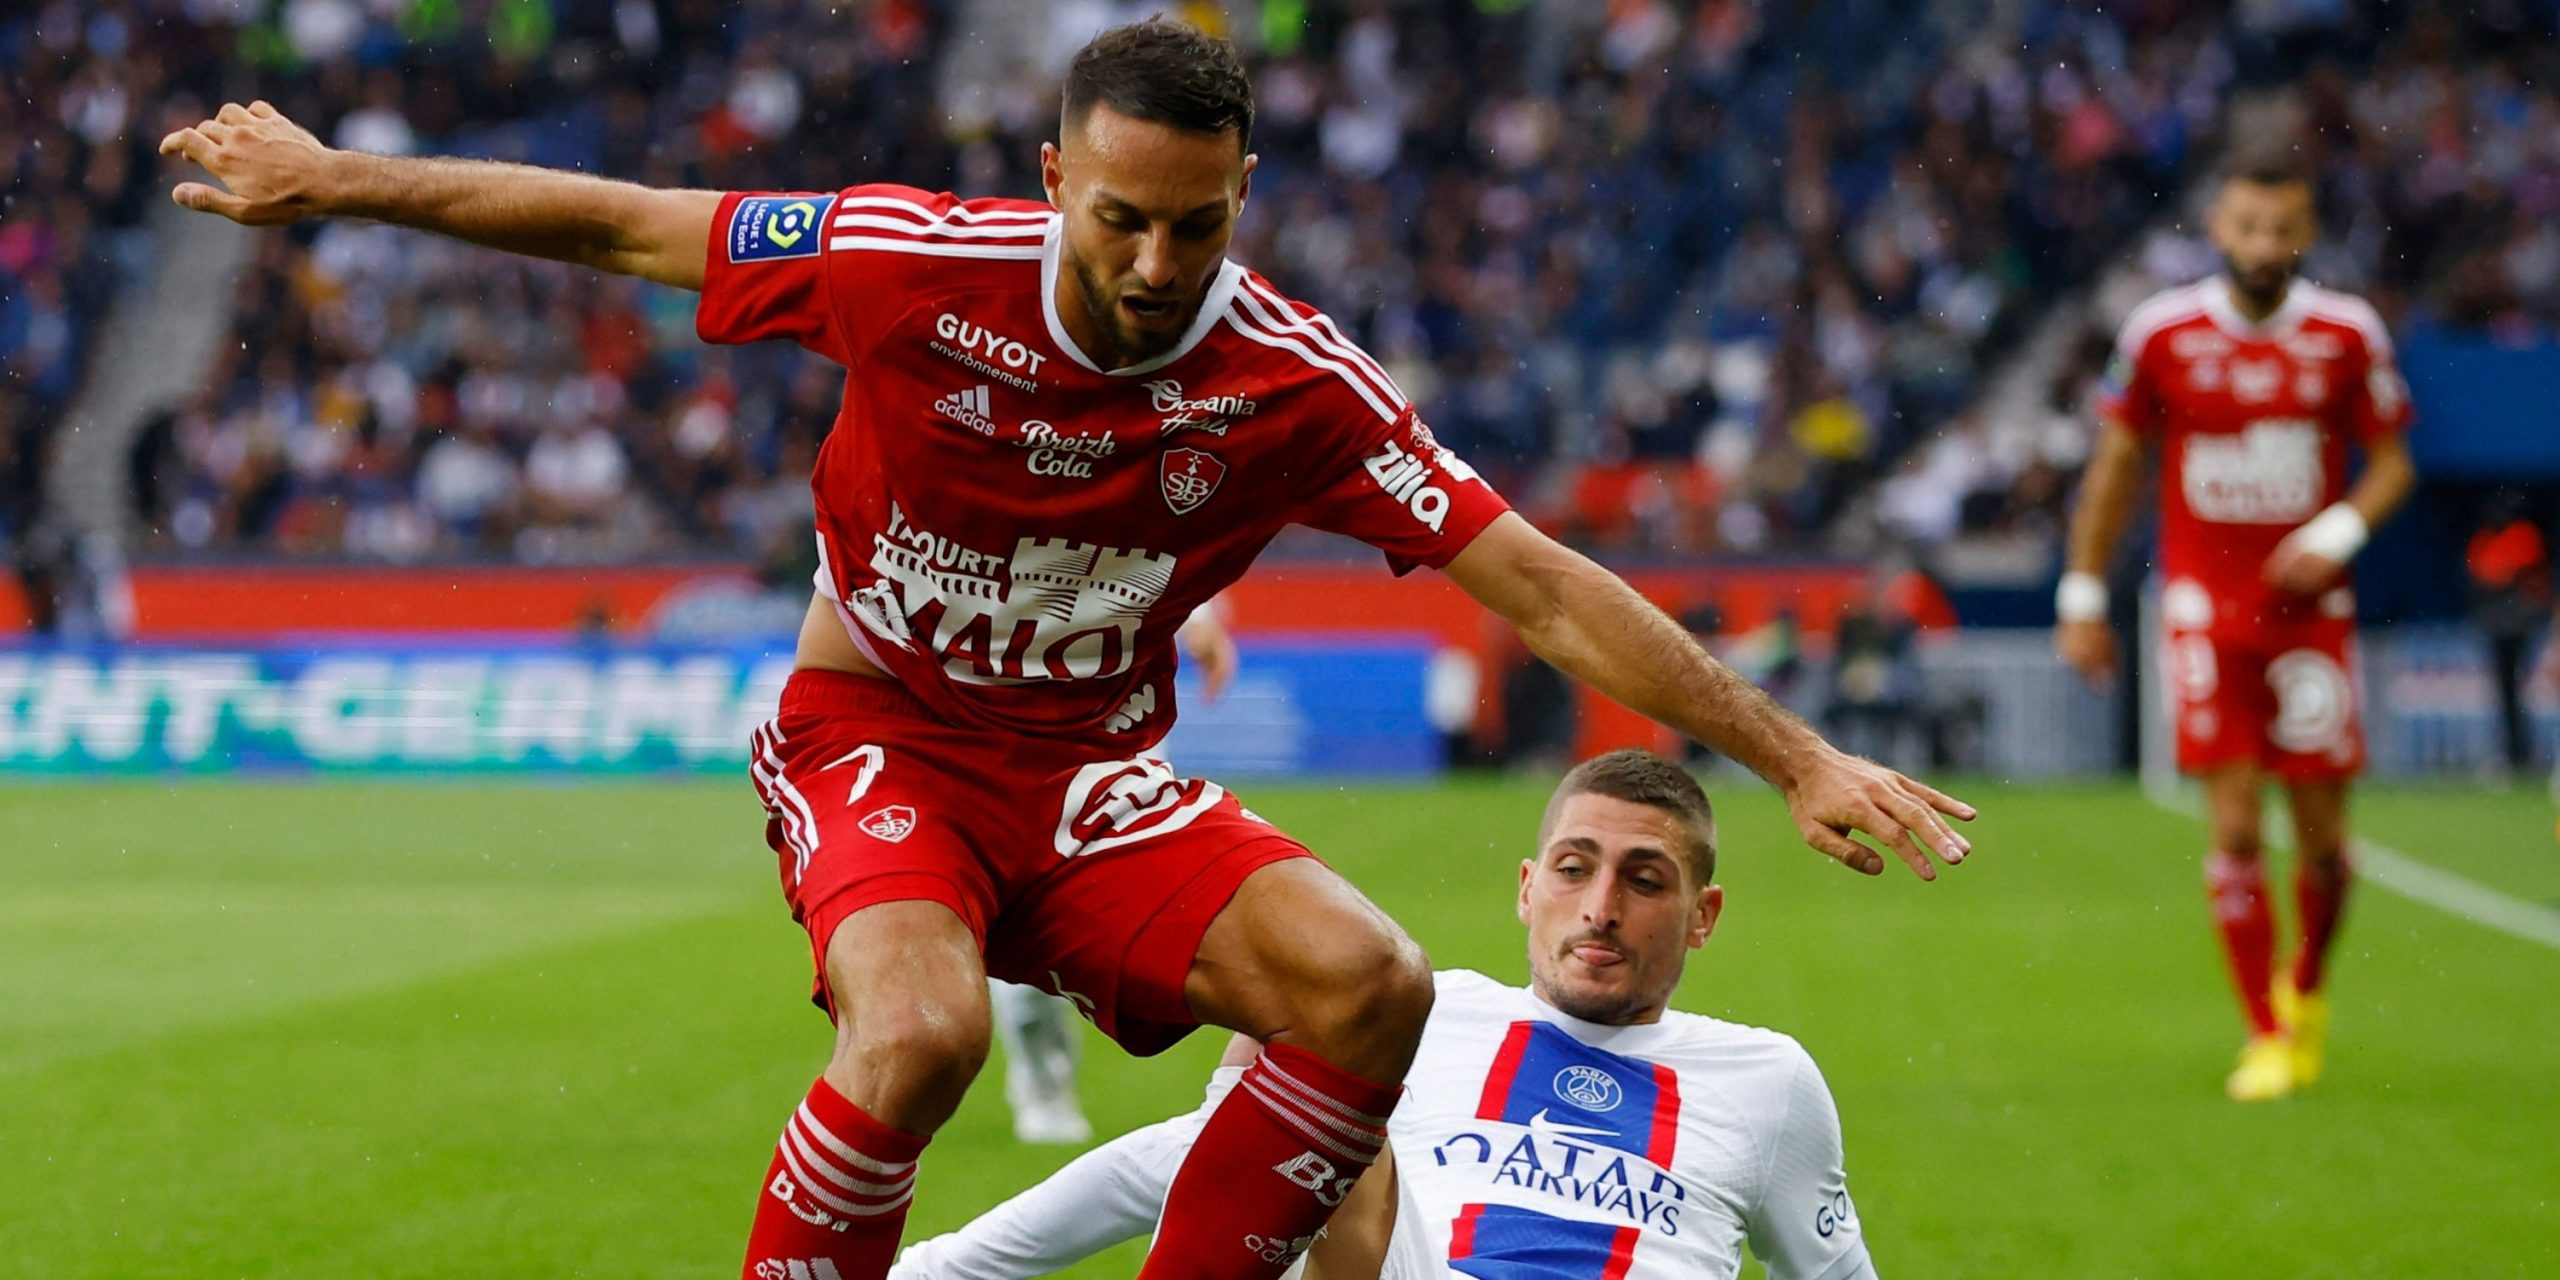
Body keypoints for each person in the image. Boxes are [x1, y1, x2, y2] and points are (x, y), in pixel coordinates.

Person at [162, 21, 1970, 1279]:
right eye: (1121, 217)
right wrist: (335, 179)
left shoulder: (1292, 382)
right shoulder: (905, 263)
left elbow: (1544, 585)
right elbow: (627, 224)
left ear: (1244, 195)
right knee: (926, 1033)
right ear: (1054, 179)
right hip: (878, 733)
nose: (1157, 261)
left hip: (1092, 776)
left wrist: (1795, 754)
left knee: (1372, 987)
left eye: (1198, 223)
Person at [892, 749, 1875, 1280]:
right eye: (1574, 870)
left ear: (1703, 915)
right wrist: (941, 1268)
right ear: (1527, 889)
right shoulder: (1429, 1014)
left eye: (1644, 880)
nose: (1600, 907)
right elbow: (1178, 1161)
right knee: (1319, 1055)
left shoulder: (1768, 1080)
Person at [2056, 156, 2416, 1102]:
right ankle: (2263, 1031)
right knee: (2236, 822)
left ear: (2307, 234)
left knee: (2325, 842)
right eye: (2248, 227)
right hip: (2204, 613)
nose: (2264, 246)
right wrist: (2083, 594)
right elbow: (2117, 465)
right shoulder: (2163, 333)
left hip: (2311, 619)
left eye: (2282, 229)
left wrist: (2335, 533)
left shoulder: (2347, 333)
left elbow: (2392, 464)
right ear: (2217, 227)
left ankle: (2308, 990)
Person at [997, 601, 1240, 1147]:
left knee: (1185, 917)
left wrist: (1200, 618)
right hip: (1016, 727)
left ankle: (1251, 1089)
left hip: (1123, 735)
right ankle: (1043, 1080)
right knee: (1024, 934)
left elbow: (1164, 555)